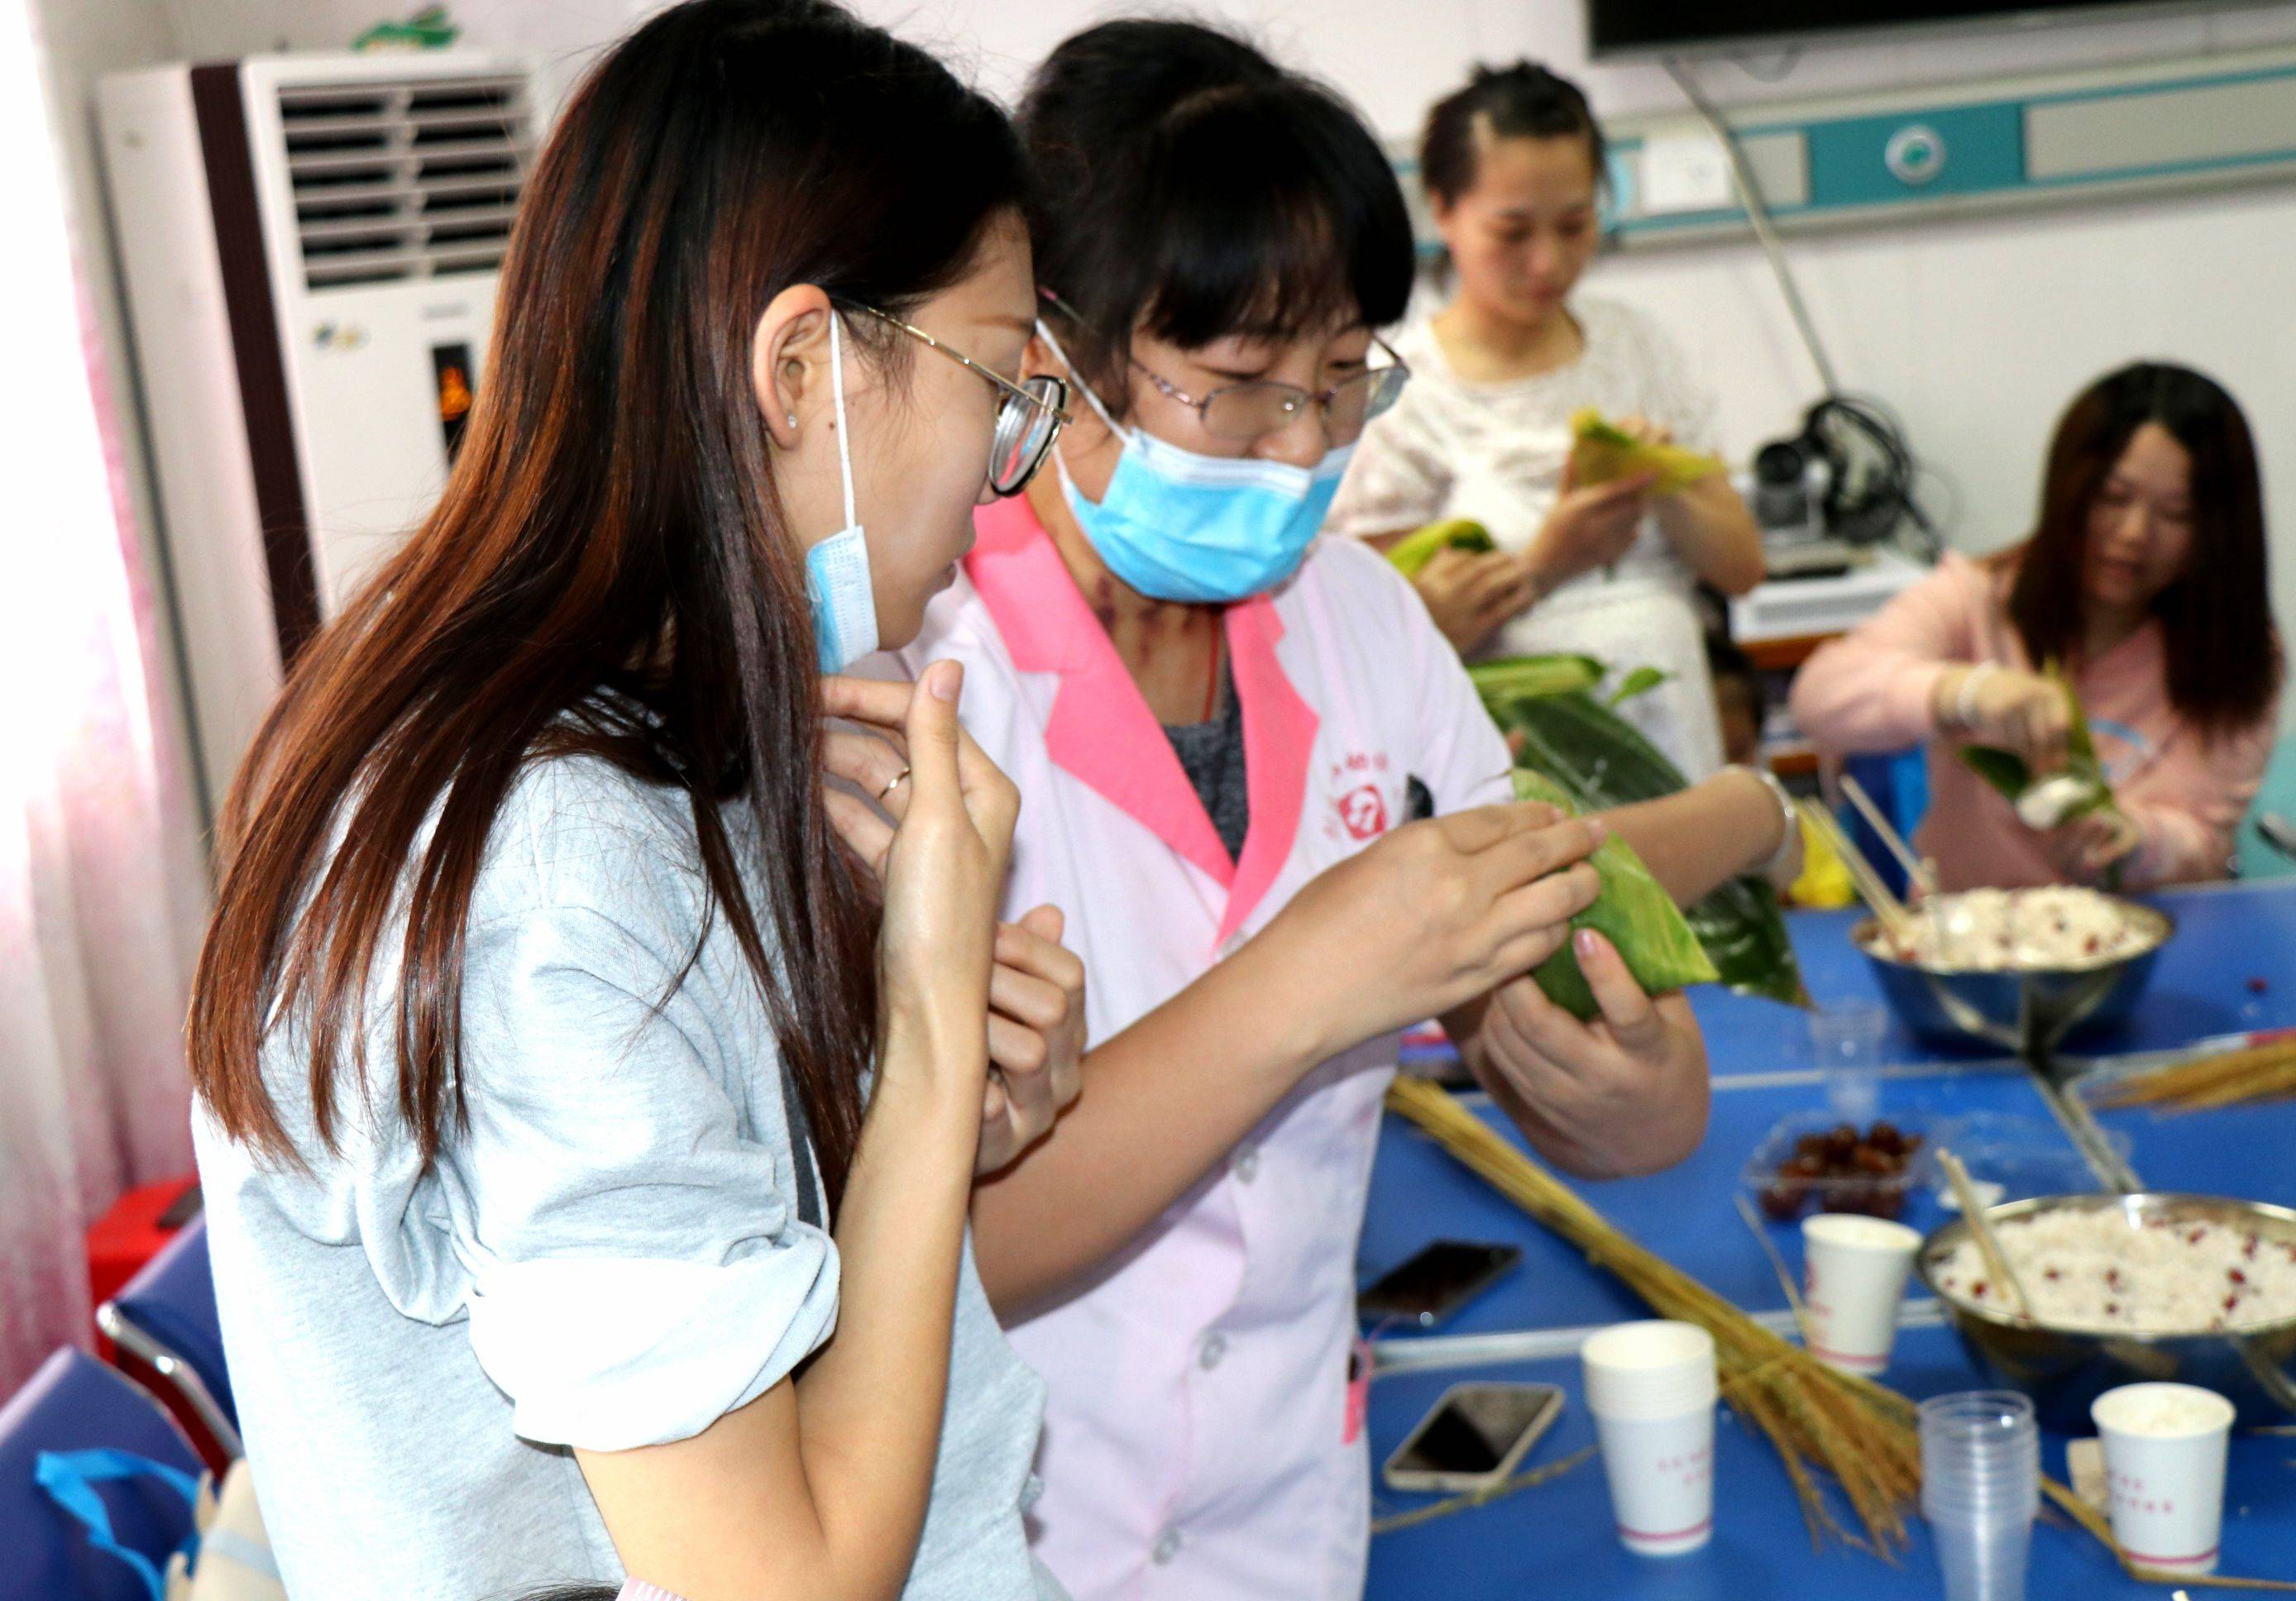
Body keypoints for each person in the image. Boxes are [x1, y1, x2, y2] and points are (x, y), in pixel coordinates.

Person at [855, 23, 1800, 1600]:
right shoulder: (918, 648)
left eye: (1341, 378)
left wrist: (1626, 1087)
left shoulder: (1364, 625)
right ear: (1056, 352)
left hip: (1284, 1522)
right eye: (1233, 390)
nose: (1300, 451)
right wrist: (1314, 978)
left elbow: (1587, 1053)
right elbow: (919, 1259)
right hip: (994, 1533)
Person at [184, 4, 1091, 1597]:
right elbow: (782, 1579)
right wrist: (934, 1023)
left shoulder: (647, 732)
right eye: (999, 381)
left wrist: (913, 1106)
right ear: (803, 366)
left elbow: (731, 1244)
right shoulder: (558, 858)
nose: (1007, 465)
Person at [1329, 61, 1765, 779]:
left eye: (1575, 225)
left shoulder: (1636, 347)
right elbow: (1382, 638)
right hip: (1517, 757)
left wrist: (1660, 480)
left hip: (1673, 726)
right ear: (1443, 210)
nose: (1548, 261)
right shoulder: (1399, 389)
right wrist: (1547, 561)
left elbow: (1743, 568)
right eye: (1512, 232)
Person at [1791, 361, 2281, 890]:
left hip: (2141, 937)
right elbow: (1820, 695)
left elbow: (2207, 837)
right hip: (1971, 937)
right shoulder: (1977, 596)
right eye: (2113, 498)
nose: (2135, 533)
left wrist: (2142, 840)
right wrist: (1968, 691)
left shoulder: (2239, 654)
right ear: (2068, 486)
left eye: (2177, 514)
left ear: (2219, 530)